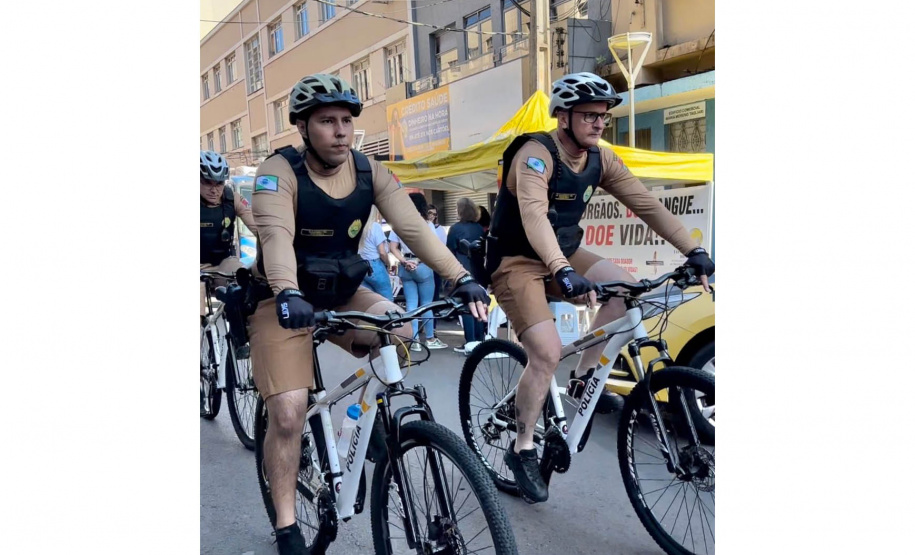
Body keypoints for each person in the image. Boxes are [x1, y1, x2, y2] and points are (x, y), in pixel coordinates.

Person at [247, 73, 489, 554]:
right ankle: (287, 523)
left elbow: (416, 230)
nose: (340, 131)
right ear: (302, 128)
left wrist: (460, 277)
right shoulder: (278, 172)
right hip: (283, 298)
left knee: (398, 325)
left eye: (346, 121)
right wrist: (288, 291)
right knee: (291, 412)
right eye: (326, 121)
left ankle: (371, 418)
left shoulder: (369, 171)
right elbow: (274, 237)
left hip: (341, 291)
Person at [486, 72, 716, 504]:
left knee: (627, 289)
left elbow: (645, 203)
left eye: (603, 117)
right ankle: (521, 449)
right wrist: (559, 269)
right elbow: (534, 215)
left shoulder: (600, 158)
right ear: (563, 117)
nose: (597, 124)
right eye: (589, 116)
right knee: (546, 352)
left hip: (565, 253)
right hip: (516, 261)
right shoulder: (536, 155)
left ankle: (583, 378)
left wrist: (693, 250)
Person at [388, 194, 449, 352]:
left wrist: (404, 261)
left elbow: (393, 247)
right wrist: (418, 261)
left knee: (411, 305)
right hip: (422, 265)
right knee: (427, 304)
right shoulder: (426, 224)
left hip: (405, 267)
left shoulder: (398, 222)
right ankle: (429, 338)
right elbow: (432, 246)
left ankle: (412, 340)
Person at [200, 150, 257, 316]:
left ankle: (239, 338)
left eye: (219, 183)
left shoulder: (233, 198)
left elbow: (259, 228)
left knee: (245, 289)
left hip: (224, 262)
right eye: (207, 183)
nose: (214, 190)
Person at [446, 198, 487, 355]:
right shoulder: (479, 228)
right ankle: (480, 339)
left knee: (466, 306)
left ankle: (470, 342)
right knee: (479, 303)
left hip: (462, 270)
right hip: (478, 269)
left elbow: (449, 251)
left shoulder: (455, 229)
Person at [358, 210, 393, 300]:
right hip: (375, 265)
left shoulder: (356, 226)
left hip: (359, 265)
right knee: (386, 299)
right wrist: (388, 263)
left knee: (368, 300)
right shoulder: (375, 226)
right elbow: (382, 252)